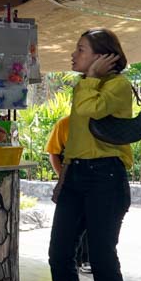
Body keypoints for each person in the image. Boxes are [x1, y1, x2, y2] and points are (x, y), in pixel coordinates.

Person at [34, 28, 135, 281]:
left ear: (103, 56)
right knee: (59, 253)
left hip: (106, 176)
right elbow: (75, 142)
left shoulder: (118, 86)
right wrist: (63, 179)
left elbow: (92, 111)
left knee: (103, 256)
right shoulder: (84, 86)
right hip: (76, 175)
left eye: (81, 50)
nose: (73, 56)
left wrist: (92, 77)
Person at [45, 116, 91, 272]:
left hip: (100, 186)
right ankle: (81, 260)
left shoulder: (108, 120)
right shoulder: (65, 123)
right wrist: (63, 178)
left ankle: (86, 259)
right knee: (62, 250)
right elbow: (53, 153)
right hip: (72, 185)